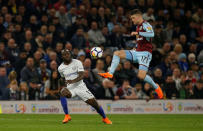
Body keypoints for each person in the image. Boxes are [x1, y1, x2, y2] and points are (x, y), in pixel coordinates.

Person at [99, 9, 163, 99]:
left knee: (142, 75)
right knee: (117, 53)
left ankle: (156, 87)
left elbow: (152, 34)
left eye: (133, 18)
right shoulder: (137, 27)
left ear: (138, 16)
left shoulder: (145, 24)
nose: (132, 20)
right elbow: (140, 41)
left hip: (145, 53)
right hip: (137, 52)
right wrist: (136, 47)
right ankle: (110, 73)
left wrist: (138, 33)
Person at [58, 49, 112, 124]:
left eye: (68, 54)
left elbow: (81, 75)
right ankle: (67, 115)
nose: (66, 55)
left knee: (94, 103)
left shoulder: (77, 62)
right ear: (62, 56)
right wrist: (63, 84)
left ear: (70, 54)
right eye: (64, 54)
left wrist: (73, 81)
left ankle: (104, 118)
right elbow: (63, 78)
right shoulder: (60, 68)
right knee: (62, 92)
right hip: (70, 88)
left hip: (80, 86)